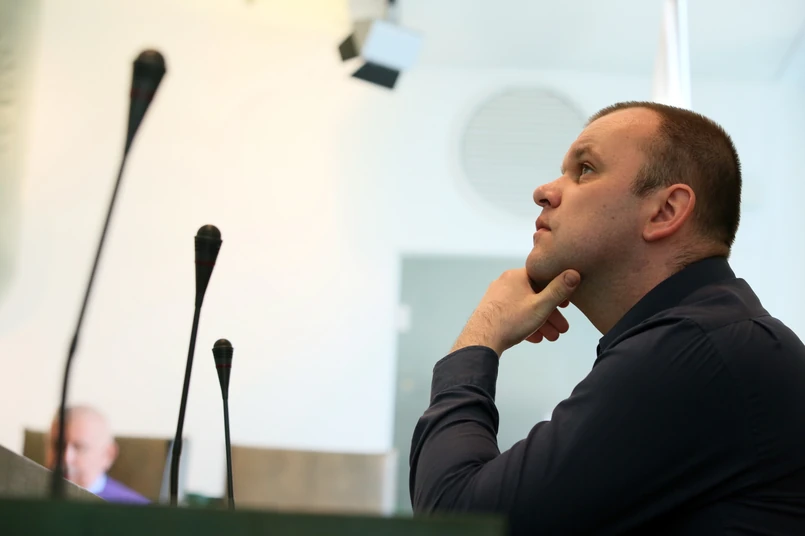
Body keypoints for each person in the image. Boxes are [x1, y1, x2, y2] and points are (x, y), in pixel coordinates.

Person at [409, 102, 805, 535]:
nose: (544, 191)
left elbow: (457, 520)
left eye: (585, 169)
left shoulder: (696, 351)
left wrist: (482, 334)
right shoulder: (708, 339)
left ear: (665, 211)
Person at [46, 406, 149, 504]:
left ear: (108, 455)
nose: (66, 458)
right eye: (58, 445)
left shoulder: (136, 510)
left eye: (79, 447)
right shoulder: (37, 494)